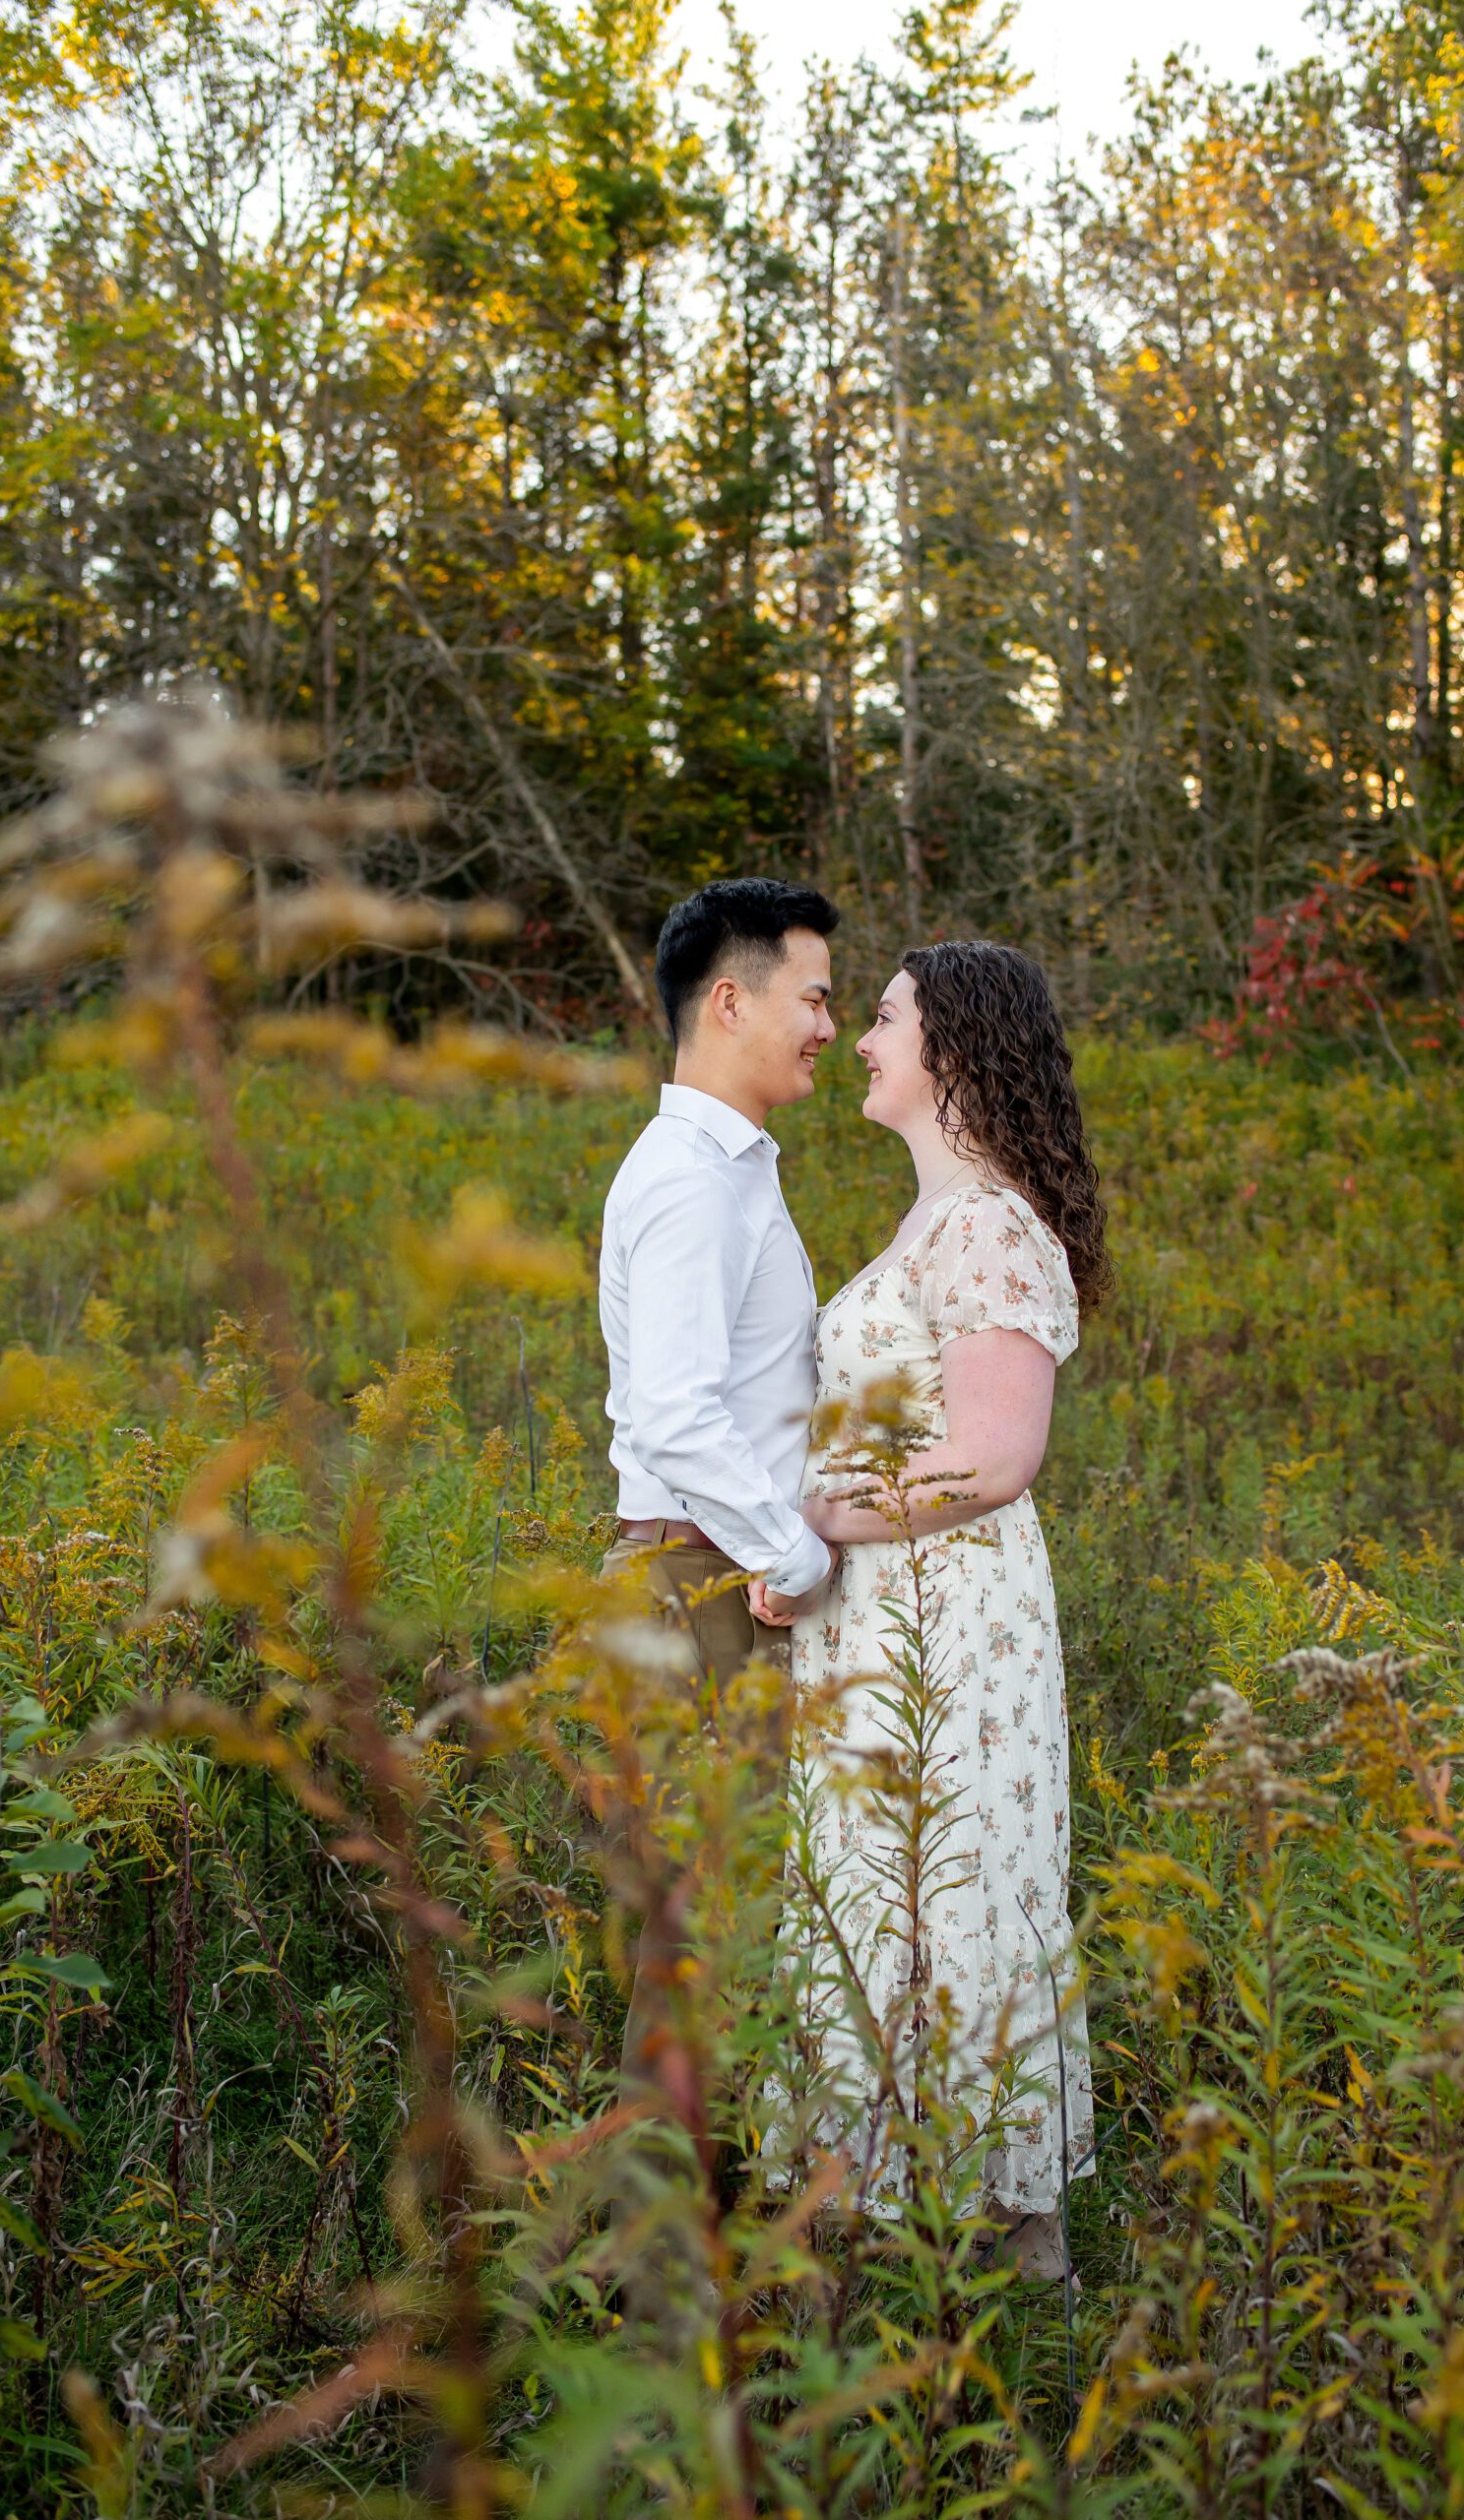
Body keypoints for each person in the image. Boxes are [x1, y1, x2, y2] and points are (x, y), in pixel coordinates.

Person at [752, 940, 1109, 2278]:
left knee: (954, 1890)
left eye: (885, 1018)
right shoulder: (936, 1220)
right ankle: (892, 2218)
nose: (859, 1040)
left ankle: (1017, 2247)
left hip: (953, 1623)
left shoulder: (985, 1226)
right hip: (887, 1611)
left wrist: (816, 1519)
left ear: (954, 1047)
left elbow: (994, 1458)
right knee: (882, 1894)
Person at [599, 875, 842, 2099]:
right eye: (812, 997)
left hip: (708, 1573)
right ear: (730, 1001)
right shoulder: (692, 1179)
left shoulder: (735, 1169)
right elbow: (675, 1413)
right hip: (699, 1578)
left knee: (725, 1930)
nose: (828, 1025)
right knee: (700, 1938)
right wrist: (790, 1557)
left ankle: (711, 2245)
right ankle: (668, 2274)